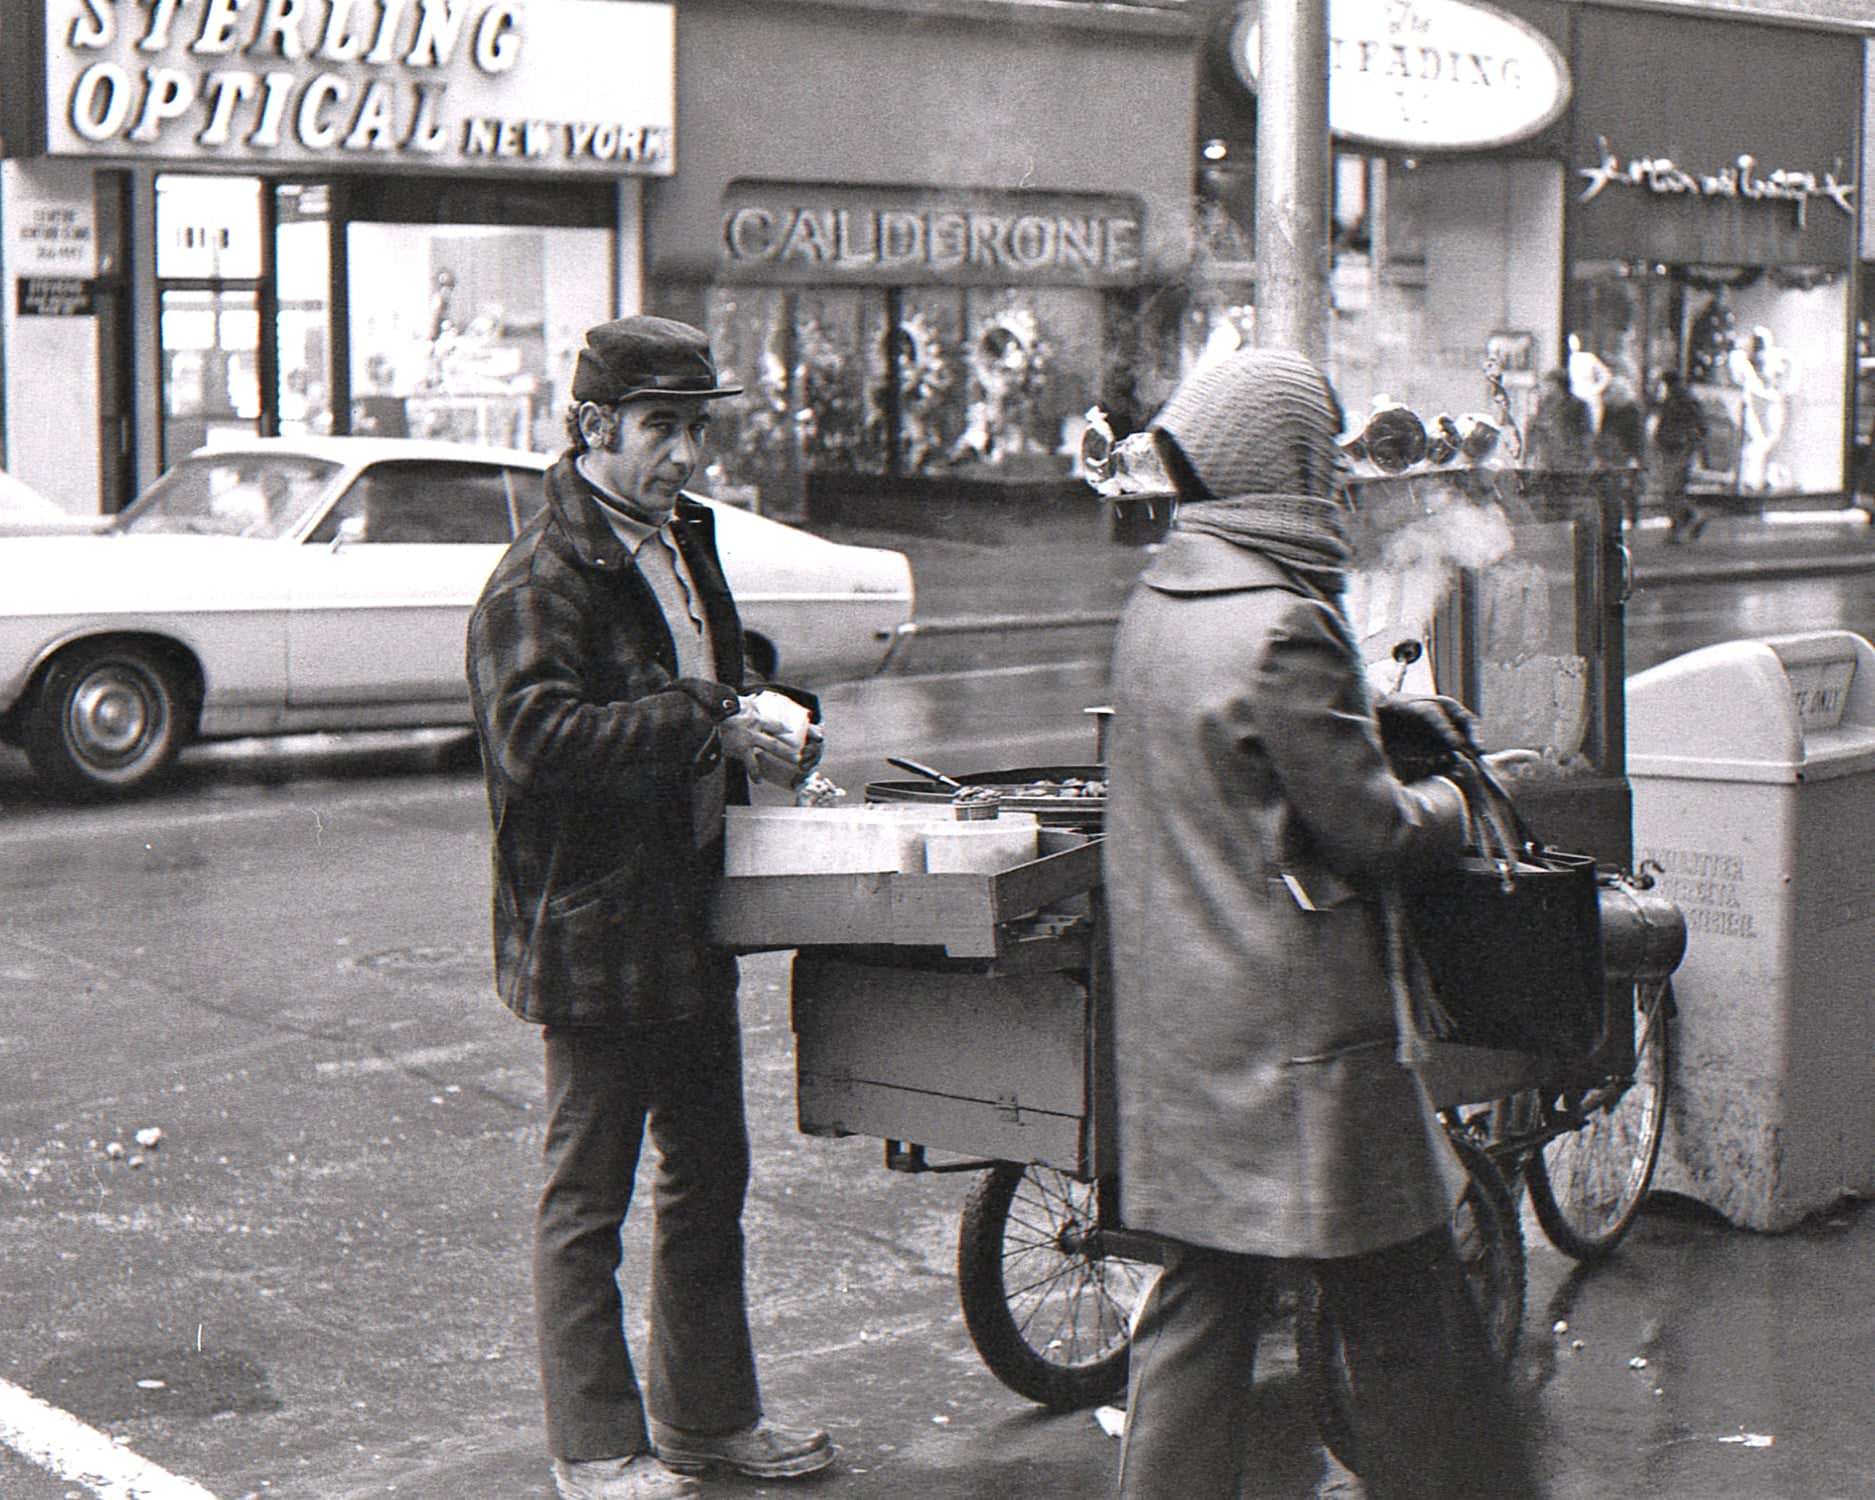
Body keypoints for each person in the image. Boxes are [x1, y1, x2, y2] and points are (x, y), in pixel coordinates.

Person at [1101, 348, 1542, 1500]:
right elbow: (1375, 831)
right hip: (1305, 1052)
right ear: (1285, 464)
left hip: (1189, 1041)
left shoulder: (1158, 603)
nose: (1341, 483)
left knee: (1196, 1322)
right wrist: (1467, 797)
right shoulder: (1286, 626)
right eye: (1326, 455)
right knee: (1408, 1322)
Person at [466, 315, 835, 1500]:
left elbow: (708, 683)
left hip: (686, 912)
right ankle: (596, 1451)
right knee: (588, 1198)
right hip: (590, 930)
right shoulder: (541, 576)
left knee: (709, 1175)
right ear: (592, 429)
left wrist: (760, 722)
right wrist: (697, 715)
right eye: (661, 429)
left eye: (696, 429)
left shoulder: (680, 539)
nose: (685, 454)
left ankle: (712, 1422)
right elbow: (533, 739)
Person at [1652, 371, 1709, 543]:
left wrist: (1690, 444)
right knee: (1673, 490)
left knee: (1672, 491)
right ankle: (1692, 518)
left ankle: (1678, 528)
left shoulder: (1681, 400)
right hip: (1675, 448)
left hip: (1678, 449)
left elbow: (1700, 426)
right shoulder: (1677, 399)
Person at [1525, 366, 1592, 469]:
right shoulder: (1544, 404)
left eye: (1550, 384)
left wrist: (1584, 457)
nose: (1547, 387)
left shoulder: (1578, 405)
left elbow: (1586, 433)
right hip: (1549, 458)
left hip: (1572, 459)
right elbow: (1537, 429)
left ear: (1559, 385)